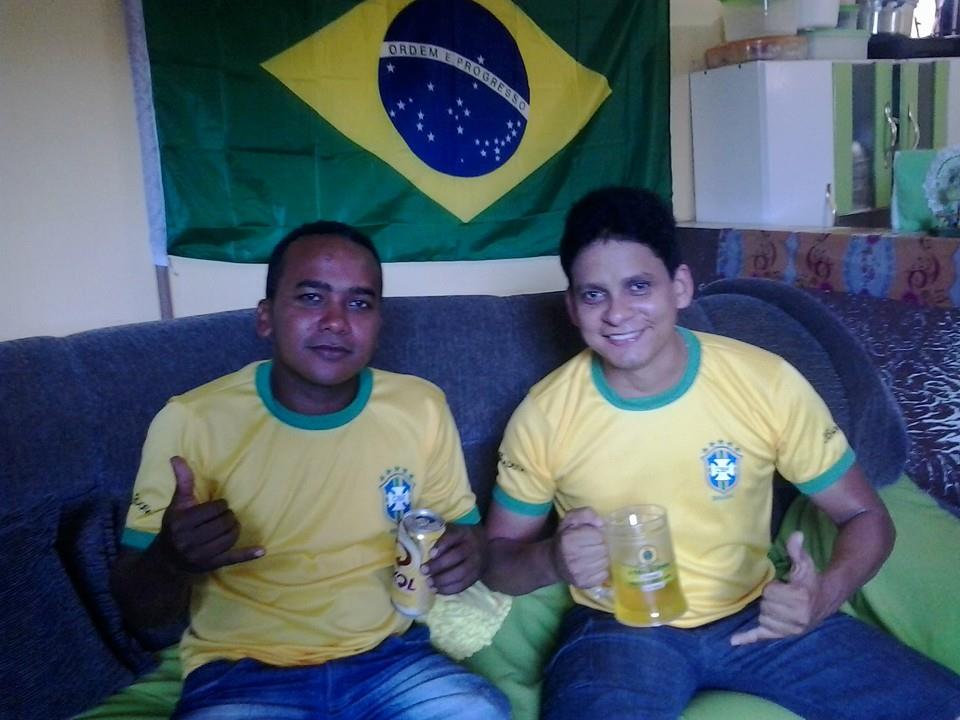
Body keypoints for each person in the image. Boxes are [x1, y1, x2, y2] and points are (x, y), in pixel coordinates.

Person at [482, 187, 960, 720]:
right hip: (619, 628)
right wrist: (551, 559)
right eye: (594, 295)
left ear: (680, 287)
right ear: (572, 307)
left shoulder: (765, 382)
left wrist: (822, 595)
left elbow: (867, 516)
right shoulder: (546, 414)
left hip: (755, 612)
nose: (617, 313)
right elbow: (497, 560)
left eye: (639, 286)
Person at [111, 221, 509, 719]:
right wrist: (172, 558)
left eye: (359, 303)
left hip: (387, 660)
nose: (337, 322)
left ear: (379, 322)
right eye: (311, 298)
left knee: (480, 710)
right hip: (241, 672)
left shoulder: (421, 407)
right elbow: (139, 610)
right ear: (265, 318)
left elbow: (465, 532)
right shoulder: (190, 422)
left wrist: (467, 555)